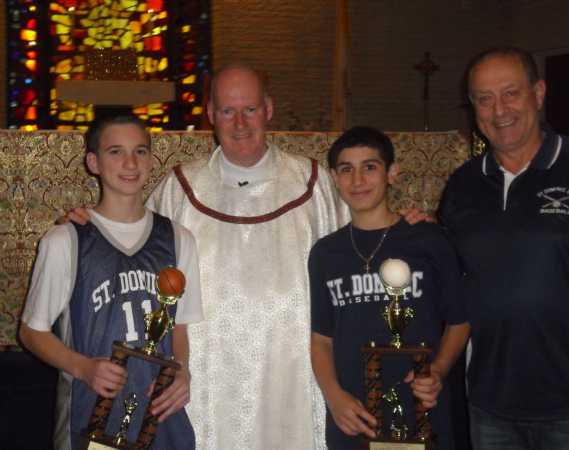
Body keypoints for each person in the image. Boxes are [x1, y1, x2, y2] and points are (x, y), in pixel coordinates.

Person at [146, 64, 346, 450]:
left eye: (250, 109)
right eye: (227, 111)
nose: (239, 123)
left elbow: (356, 255)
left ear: (268, 109)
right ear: (210, 114)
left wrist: (402, 229)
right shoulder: (180, 190)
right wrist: (92, 226)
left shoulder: (313, 184)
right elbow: (139, 264)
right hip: (207, 377)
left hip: (293, 371)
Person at [438, 46, 569, 450]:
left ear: (538, 94)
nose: (499, 110)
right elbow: (451, 276)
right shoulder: (463, 185)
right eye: (484, 99)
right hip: (491, 406)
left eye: (511, 93)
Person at [19, 115, 204, 450]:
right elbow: (31, 333)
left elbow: (179, 326)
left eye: (140, 151)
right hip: (92, 417)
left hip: (159, 417)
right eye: (116, 152)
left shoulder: (179, 239)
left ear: (151, 159)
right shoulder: (65, 240)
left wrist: (182, 371)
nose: (130, 163)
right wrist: (83, 368)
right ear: (94, 162)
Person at [309, 126, 470, 450]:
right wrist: (334, 396)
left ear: (392, 173)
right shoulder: (325, 253)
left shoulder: (430, 240)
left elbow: (460, 321)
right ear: (334, 178)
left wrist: (438, 371)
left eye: (370, 167)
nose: (358, 180)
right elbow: (321, 339)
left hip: (422, 410)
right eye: (346, 169)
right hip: (355, 415)